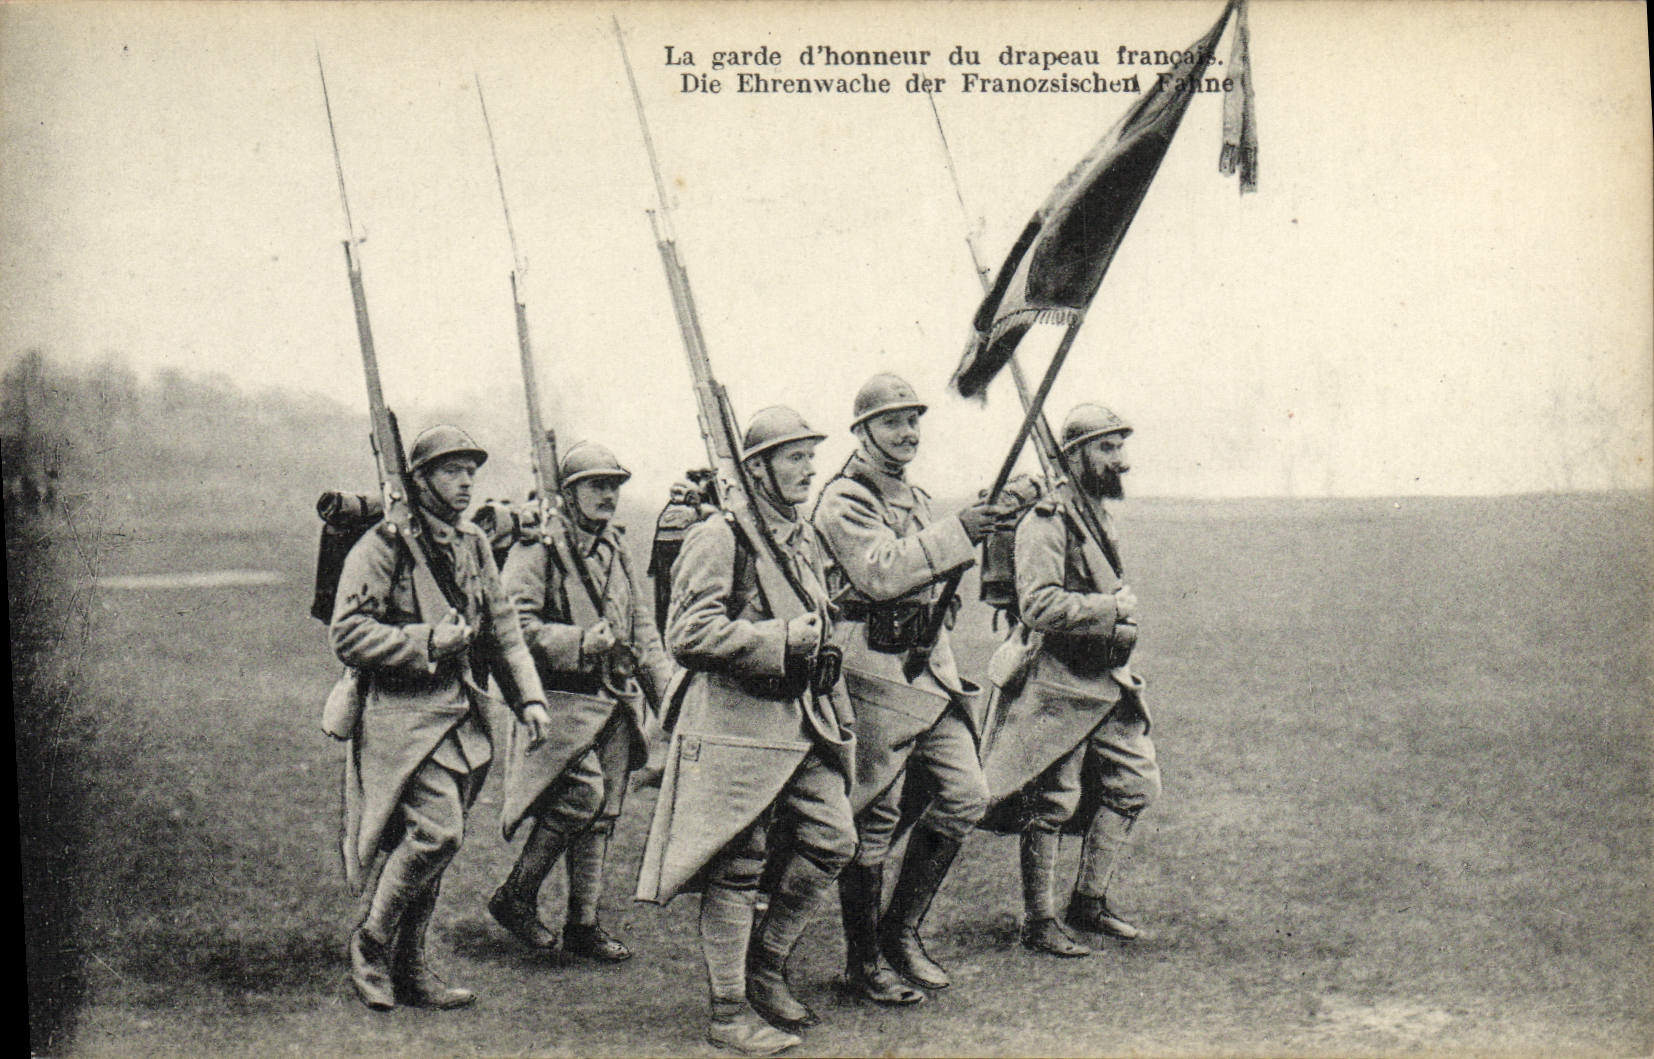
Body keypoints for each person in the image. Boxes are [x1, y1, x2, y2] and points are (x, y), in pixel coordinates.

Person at [636, 407, 856, 1056]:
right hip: (736, 729)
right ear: (756, 467)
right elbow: (688, 634)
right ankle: (728, 1013)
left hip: (802, 724)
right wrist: (781, 637)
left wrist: (822, 663)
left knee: (833, 839)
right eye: (794, 457)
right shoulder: (719, 537)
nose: (809, 468)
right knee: (738, 867)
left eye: (811, 456)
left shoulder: (799, 535)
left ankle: (767, 963)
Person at [330, 424, 552, 1011]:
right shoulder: (384, 544)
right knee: (437, 833)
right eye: (451, 470)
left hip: (462, 716)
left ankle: (411, 963)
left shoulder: (473, 541)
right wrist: (428, 639)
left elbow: (502, 626)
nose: (465, 481)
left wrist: (528, 697)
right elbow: (348, 633)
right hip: (401, 717)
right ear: (420, 478)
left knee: (433, 843)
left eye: (470, 470)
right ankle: (372, 944)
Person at [812, 373, 1015, 1005]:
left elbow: (926, 574)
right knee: (872, 815)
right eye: (894, 422)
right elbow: (880, 573)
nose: (908, 433)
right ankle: (864, 960)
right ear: (863, 430)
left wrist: (945, 591)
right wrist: (961, 532)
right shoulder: (844, 498)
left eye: (913, 421)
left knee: (965, 796)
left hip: (928, 670)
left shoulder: (915, 496)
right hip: (871, 672)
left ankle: (900, 932)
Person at [978, 404, 1160, 958]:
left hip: (1105, 676)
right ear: (1075, 453)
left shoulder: (1096, 513)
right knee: (1052, 801)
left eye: (1120, 447)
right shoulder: (1047, 520)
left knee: (1134, 784)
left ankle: (1089, 901)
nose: (1120, 460)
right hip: (1055, 679)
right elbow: (1037, 605)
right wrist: (1108, 608)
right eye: (1107, 448)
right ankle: (1040, 920)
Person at [490, 442, 673, 962]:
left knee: (603, 814)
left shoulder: (618, 547)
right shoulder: (537, 549)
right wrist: (575, 642)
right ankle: (517, 895)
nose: (608, 495)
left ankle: (582, 924)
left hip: (613, 701)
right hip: (559, 702)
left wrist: (670, 704)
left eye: (614, 485)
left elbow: (643, 634)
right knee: (580, 797)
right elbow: (512, 628)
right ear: (568, 493)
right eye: (597, 485)